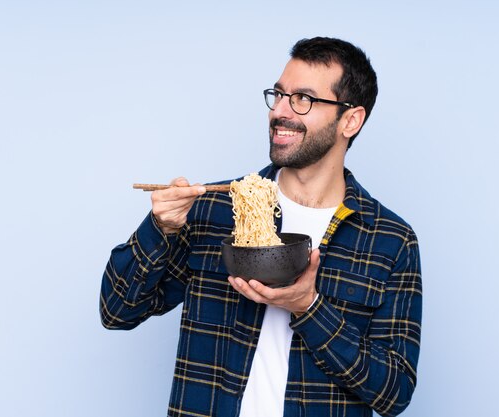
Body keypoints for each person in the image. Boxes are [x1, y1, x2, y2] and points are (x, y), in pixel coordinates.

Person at [100, 36, 422, 417]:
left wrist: (308, 307)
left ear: (350, 120)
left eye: (303, 99)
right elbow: (117, 311)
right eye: (279, 95)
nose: (280, 112)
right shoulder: (218, 209)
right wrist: (159, 229)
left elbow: (393, 393)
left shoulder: (390, 240)